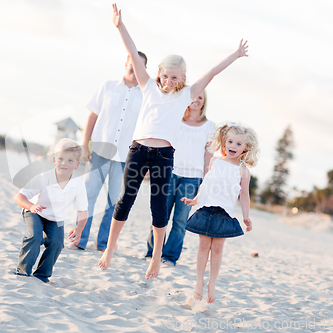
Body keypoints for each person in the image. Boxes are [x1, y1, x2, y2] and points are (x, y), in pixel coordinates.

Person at [98, 4, 249, 280]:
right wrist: (120, 26)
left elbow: (213, 72)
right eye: (165, 75)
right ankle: (110, 247)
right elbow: (133, 53)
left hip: (164, 155)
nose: (168, 80)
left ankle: (156, 257)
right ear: (158, 73)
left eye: (174, 77)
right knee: (125, 200)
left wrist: (236, 55)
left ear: (183, 79)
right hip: (138, 150)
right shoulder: (149, 86)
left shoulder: (186, 94)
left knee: (159, 209)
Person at [66, 51, 148, 252]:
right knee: (88, 196)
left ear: (143, 68)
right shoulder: (108, 86)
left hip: (126, 157)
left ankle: (103, 244)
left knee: (114, 202)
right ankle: (79, 240)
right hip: (100, 151)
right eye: (132, 61)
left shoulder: (146, 95)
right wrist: (85, 144)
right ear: (126, 62)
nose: (134, 66)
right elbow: (92, 116)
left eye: (139, 64)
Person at [181, 122, 259, 303]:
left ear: (246, 148)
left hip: (224, 213)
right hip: (206, 209)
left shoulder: (243, 171)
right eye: (230, 142)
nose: (233, 146)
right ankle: (198, 281)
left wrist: (246, 217)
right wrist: (195, 200)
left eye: (239, 144)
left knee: (217, 249)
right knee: (203, 246)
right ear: (224, 142)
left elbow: (244, 195)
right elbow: (206, 184)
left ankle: (212, 283)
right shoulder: (215, 161)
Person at [145, 90, 214, 266]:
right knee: (161, 215)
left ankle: (169, 256)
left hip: (192, 178)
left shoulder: (209, 126)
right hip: (169, 172)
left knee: (180, 221)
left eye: (200, 97)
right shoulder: (175, 119)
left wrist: (205, 179)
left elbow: (208, 155)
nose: (196, 100)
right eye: (194, 97)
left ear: (204, 102)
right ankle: (152, 252)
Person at [14, 138, 88, 284]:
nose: (64, 163)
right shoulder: (43, 178)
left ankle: (42, 275)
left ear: (77, 165)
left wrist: (79, 228)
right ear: (54, 160)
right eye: (60, 159)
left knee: (57, 243)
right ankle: (23, 271)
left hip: (55, 218)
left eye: (70, 161)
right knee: (35, 236)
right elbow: (19, 197)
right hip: (35, 211)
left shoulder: (78, 185)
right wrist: (30, 206)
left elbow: (83, 211)